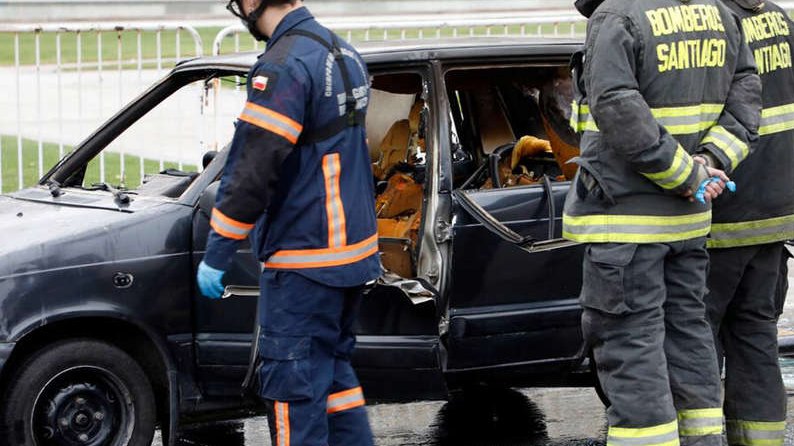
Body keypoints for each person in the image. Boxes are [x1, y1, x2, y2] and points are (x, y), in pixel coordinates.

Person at [564, 0, 762, 444]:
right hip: (688, 225)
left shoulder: (617, 17)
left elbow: (615, 105)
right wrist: (708, 163)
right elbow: (747, 96)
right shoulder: (719, 14)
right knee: (690, 343)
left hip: (625, 224)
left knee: (631, 350)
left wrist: (685, 174)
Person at [196, 1, 380, 445]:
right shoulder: (342, 52)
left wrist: (218, 251)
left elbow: (251, 171)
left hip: (306, 262)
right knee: (333, 383)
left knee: (293, 395)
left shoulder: (283, 66)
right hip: (351, 257)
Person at [705, 0, 794, 443]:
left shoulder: (713, 20)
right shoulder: (777, 16)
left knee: (695, 342)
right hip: (774, 215)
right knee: (756, 337)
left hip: (720, 213)